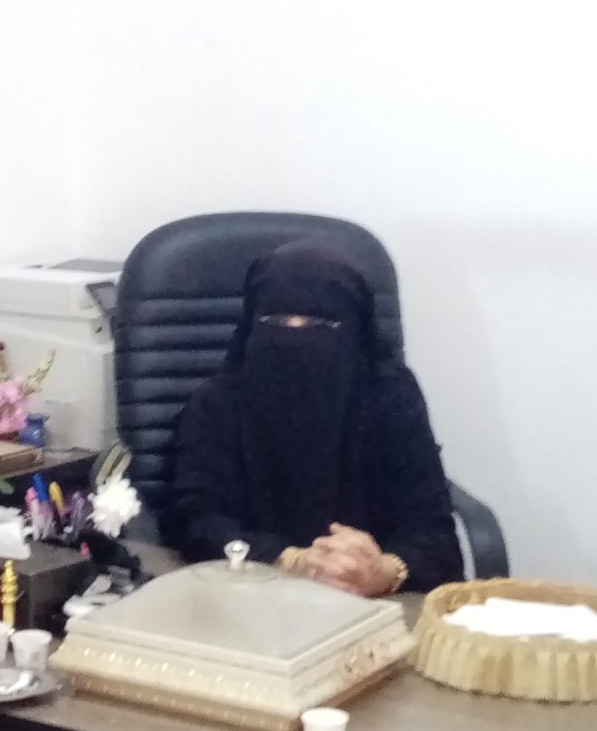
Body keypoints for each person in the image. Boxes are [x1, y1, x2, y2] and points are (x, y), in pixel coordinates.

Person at [167, 243, 464, 596]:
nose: (296, 338)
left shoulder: (390, 397)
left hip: (377, 603)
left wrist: (384, 570)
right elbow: (197, 522)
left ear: (355, 331)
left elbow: (432, 527)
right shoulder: (218, 402)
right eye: (276, 322)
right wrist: (292, 560)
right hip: (251, 598)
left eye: (321, 324)